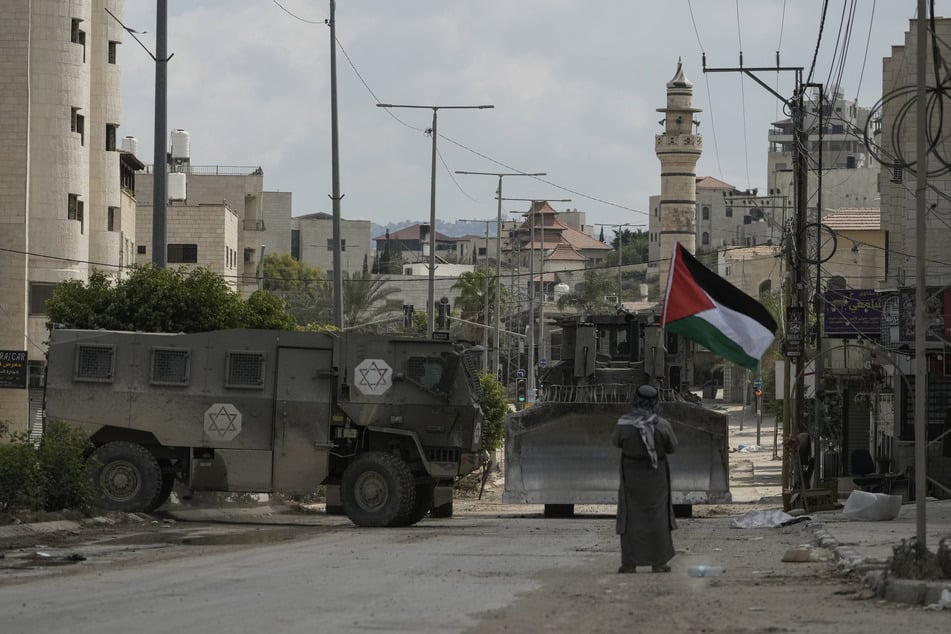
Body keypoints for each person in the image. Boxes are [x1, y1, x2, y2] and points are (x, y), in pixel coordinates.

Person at [613, 384, 679, 573]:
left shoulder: (623, 423)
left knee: (631, 516)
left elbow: (615, 441)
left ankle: (629, 563)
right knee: (658, 516)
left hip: (631, 475)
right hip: (656, 475)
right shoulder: (663, 425)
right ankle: (659, 562)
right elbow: (672, 447)